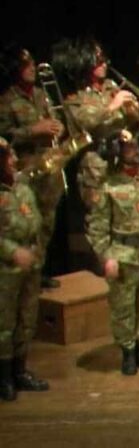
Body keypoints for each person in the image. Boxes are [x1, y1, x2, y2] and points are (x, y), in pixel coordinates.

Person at [85, 130, 139, 375]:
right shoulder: (108, 185)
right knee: (124, 306)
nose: (136, 150)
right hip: (124, 253)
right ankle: (128, 351)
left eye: (137, 146)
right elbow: (97, 227)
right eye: (129, 147)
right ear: (118, 152)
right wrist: (105, 257)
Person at [0, 45, 66, 288]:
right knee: (30, 224)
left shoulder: (41, 95)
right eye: (27, 65)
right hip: (26, 170)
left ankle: (40, 271)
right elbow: (5, 135)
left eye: (32, 64)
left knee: (47, 224)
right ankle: (27, 276)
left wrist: (57, 126)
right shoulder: (7, 100)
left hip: (50, 167)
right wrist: (33, 131)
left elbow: (54, 119)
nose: (32, 69)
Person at [51, 37, 137, 209]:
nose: (104, 63)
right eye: (98, 60)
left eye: (104, 59)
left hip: (121, 162)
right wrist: (112, 107)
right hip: (96, 169)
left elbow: (130, 122)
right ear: (85, 63)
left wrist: (134, 111)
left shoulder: (111, 87)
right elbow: (86, 123)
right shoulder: (74, 99)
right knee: (99, 220)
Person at [0, 138, 50, 400]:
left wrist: (35, 249)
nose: (12, 159)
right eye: (6, 156)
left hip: (31, 261)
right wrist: (12, 251)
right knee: (4, 323)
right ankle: (4, 376)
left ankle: (20, 370)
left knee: (27, 319)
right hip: (6, 269)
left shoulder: (21, 184)